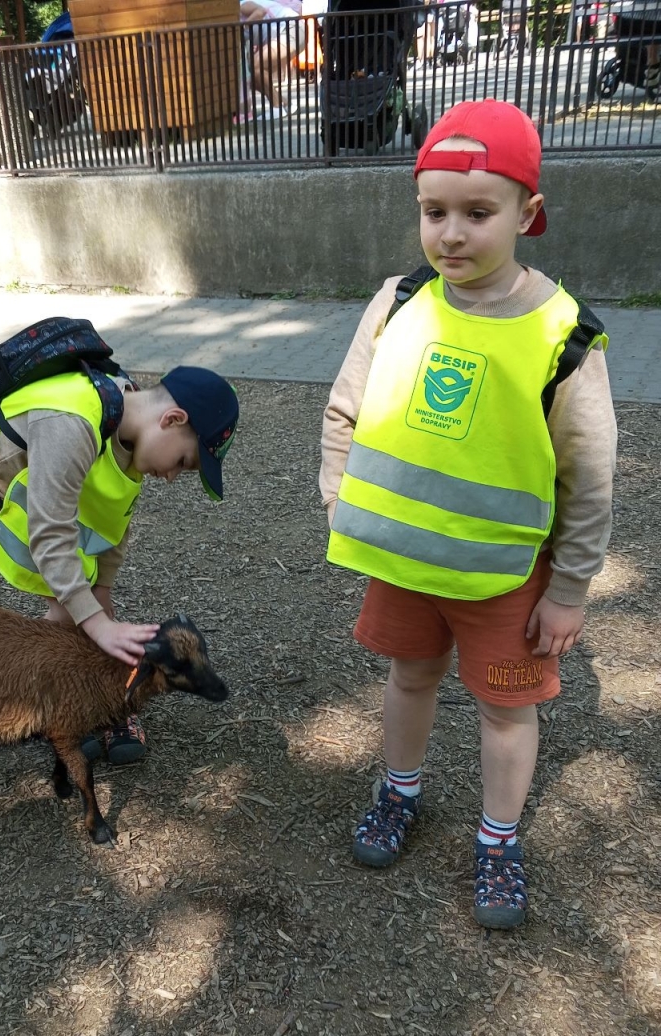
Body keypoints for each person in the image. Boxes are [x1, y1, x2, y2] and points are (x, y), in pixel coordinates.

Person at [319, 99, 616, 930]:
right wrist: (340, 499)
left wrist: (572, 588)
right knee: (409, 676)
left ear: (528, 213)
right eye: (434, 211)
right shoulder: (399, 300)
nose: (451, 234)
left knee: (505, 709)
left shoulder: (564, 337)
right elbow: (345, 412)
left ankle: (497, 838)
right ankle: (399, 790)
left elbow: (590, 477)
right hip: (404, 564)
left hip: (503, 579)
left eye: (478, 213)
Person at [0, 361, 239, 765]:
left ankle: (101, 701)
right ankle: (15, 699)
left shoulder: (133, 431)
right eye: (183, 463)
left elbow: (110, 521)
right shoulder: (72, 424)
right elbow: (49, 532)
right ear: (173, 419)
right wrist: (95, 622)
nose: (172, 477)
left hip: (53, 488)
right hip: (7, 485)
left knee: (91, 604)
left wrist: (101, 596)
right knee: (67, 611)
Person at [238, 0, 303, 120]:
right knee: (251, 78)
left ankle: (277, 108)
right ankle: (285, 104)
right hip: (286, 30)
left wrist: (241, 29)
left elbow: (261, 11)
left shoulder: (241, 4)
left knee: (256, 65)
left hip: (290, 27)